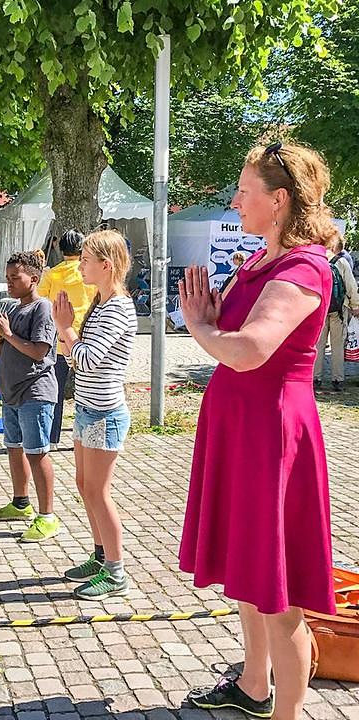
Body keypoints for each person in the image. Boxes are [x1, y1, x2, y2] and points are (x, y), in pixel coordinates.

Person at [177, 142, 337, 720]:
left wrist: (199, 326)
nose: (236, 201)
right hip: (242, 428)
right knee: (248, 570)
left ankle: (287, 712)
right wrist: (210, 320)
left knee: (279, 593)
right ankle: (252, 684)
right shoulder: (258, 260)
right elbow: (231, 333)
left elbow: (249, 350)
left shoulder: (304, 267)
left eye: (245, 191)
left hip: (271, 434)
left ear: (280, 199)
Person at [52, 229, 136, 599]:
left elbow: (85, 359)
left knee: (99, 492)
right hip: (88, 409)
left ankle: (116, 572)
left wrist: (65, 328)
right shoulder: (101, 304)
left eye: (86, 260)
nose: (80, 266)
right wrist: (69, 335)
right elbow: (77, 358)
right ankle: (101, 556)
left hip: (104, 413)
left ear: (107, 265)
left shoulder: (117, 308)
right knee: (85, 485)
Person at [0, 251, 60, 543]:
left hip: (35, 392)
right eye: (7, 278)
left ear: (34, 278)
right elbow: (3, 351)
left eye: (15, 278)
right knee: (14, 448)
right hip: (11, 392)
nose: (10, 283)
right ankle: (20, 503)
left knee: (37, 453)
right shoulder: (15, 309)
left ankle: (47, 517)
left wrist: (7, 333)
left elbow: (39, 351)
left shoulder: (42, 308)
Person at [38, 230, 96, 445]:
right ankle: (85, 437)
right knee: (88, 391)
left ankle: (52, 438)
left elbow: (40, 299)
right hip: (86, 336)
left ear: (59, 248)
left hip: (59, 337)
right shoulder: (88, 274)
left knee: (56, 390)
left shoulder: (52, 274)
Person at [314, 238, 359, 391]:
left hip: (320, 308)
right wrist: (355, 306)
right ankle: (337, 379)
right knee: (337, 345)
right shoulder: (342, 262)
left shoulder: (317, 260)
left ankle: (316, 377)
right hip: (339, 309)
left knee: (318, 344)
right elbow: (351, 286)